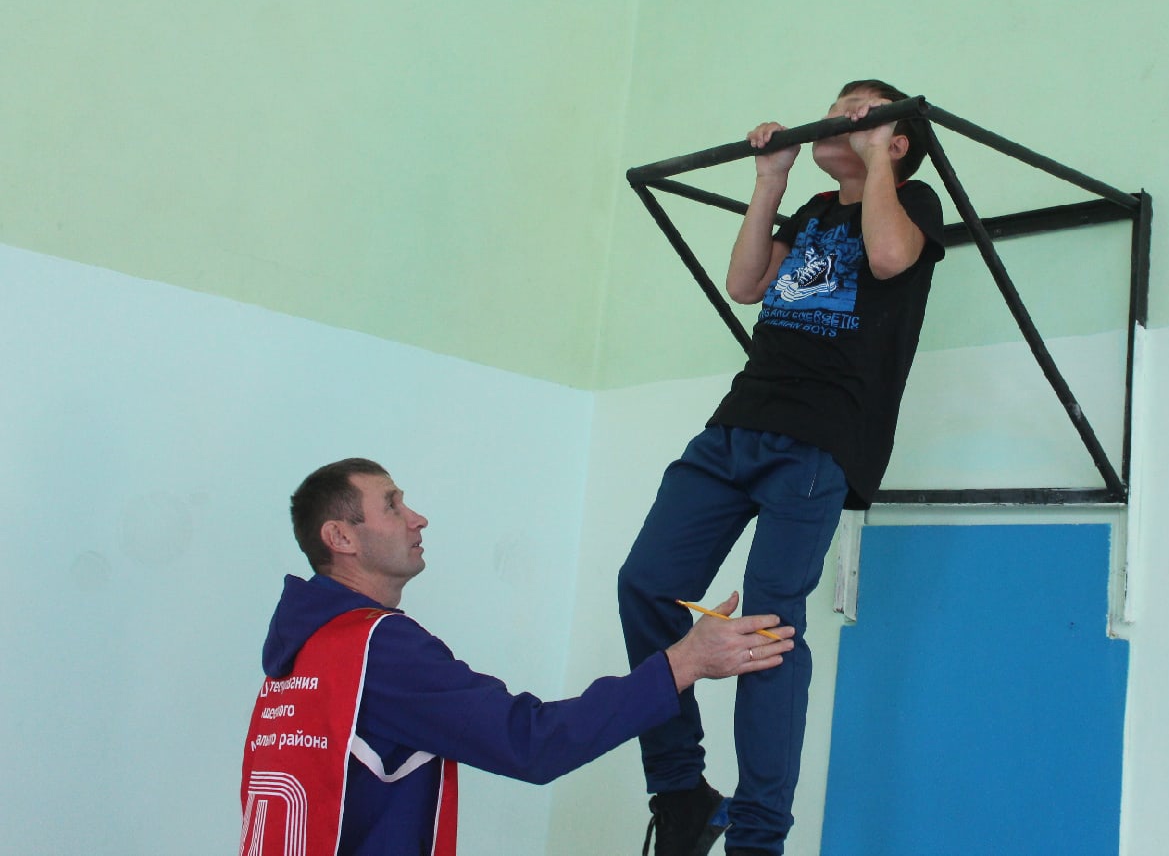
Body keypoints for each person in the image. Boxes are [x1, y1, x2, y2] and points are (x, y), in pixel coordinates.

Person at [618, 80, 946, 855]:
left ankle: (759, 835)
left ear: (895, 138)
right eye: (832, 109)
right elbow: (744, 285)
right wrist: (770, 178)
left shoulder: (914, 204)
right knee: (646, 583)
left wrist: (876, 155)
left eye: (854, 112)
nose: (831, 120)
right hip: (737, 425)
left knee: (768, 626)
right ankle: (681, 790)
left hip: (818, 440)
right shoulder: (812, 214)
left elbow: (889, 257)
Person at [240, 457, 793, 856]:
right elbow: (532, 743)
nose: (417, 517)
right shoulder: (376, 649)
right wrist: (686, 662)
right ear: (340, 537)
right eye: (391, 505)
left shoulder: (305, 650)